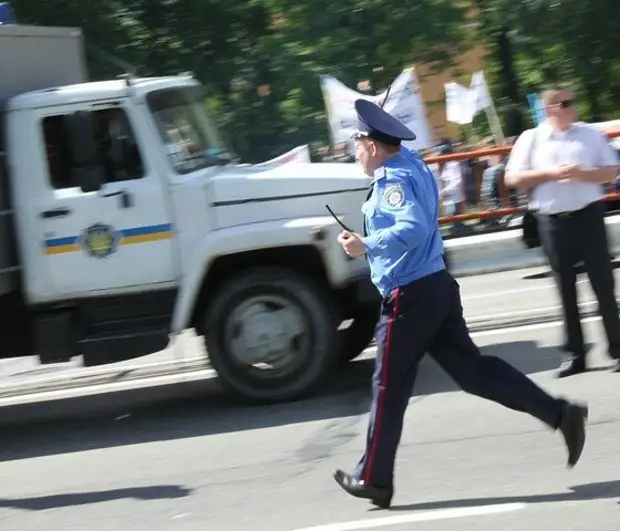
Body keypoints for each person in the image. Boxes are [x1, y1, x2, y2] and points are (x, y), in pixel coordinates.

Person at [333, 99, 588, 509]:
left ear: (372, 145)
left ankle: (374, 478)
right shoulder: (411, 163)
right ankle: (561, 414)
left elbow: (412, 226)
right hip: (434, 287)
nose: (355, 152)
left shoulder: (393, 179)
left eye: (357, 143)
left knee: (388, 386)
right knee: (474, 372)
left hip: (409, 295)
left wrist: (366, 244)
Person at [505, 85, 620, 378]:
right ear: (549, 110)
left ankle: (617, 348)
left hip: (589, 216)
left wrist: (582, 173)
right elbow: (513, 177)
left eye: (572, 101)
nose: (572, 106)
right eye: (565, 103)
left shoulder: (590, 134)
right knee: (565, 290)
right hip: (553, 221)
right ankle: (575, 355)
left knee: (604, 287)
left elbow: (612, 170)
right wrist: (551, 174)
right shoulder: (531, 139)